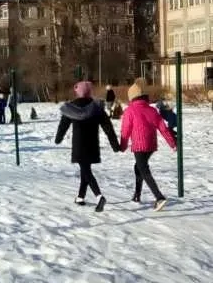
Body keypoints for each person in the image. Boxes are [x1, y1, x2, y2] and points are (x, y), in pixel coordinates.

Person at [54, 82, 120, 210]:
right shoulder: (96, 107)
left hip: (79, 145)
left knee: (86, 171)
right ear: (90, 92)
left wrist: (58, 139)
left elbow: (63, 125)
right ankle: (80, 197)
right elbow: (108, 127)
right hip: (92, 145)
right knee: (85, 169)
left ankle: (99, 196)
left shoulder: (71, 108)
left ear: (78, 92)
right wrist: (115, 145)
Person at [120, 80, 177, 210]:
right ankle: (137, 195)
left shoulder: (130, 110)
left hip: (139, 145)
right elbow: (163, 128)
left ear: (132, 97)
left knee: (143, 170)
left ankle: (159, 197)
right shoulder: (152, 110)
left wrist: (122, 146)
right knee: (138, 167)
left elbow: (125, 130)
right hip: (150, 145)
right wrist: (172, 143)